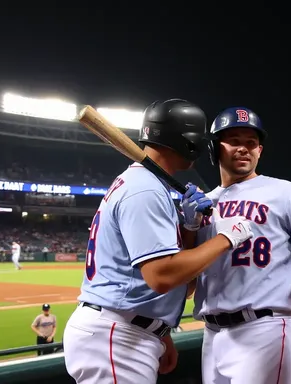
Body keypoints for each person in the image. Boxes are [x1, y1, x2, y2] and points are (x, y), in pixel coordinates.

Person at [62, 99, 254, 384]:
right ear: (188, 142)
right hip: (117, 335)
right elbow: (162, 275)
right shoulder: (145, 189)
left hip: (126, 331)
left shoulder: (145, 184)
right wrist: (226, 238)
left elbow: (180, 282)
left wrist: (189, 227)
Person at [193, 107, 291, 384]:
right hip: (211, 334)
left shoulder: (283, 191)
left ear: (260, 150)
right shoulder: (204, 203)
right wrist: (189, 225)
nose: (243, 148)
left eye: (251, 143)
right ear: (214, 148)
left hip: (263, 329)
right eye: (234, 140)